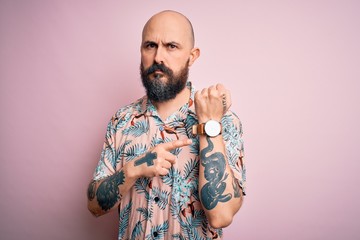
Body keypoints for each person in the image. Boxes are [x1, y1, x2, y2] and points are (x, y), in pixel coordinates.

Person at [87, 10, 246, 240]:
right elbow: (94, 206)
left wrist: (209, 124)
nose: (158, 57)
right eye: (150, 45)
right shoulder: (121, 120)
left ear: (192, 56)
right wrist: (135, 168)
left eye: (171, 46)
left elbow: (221, 216)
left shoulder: (223, 121)